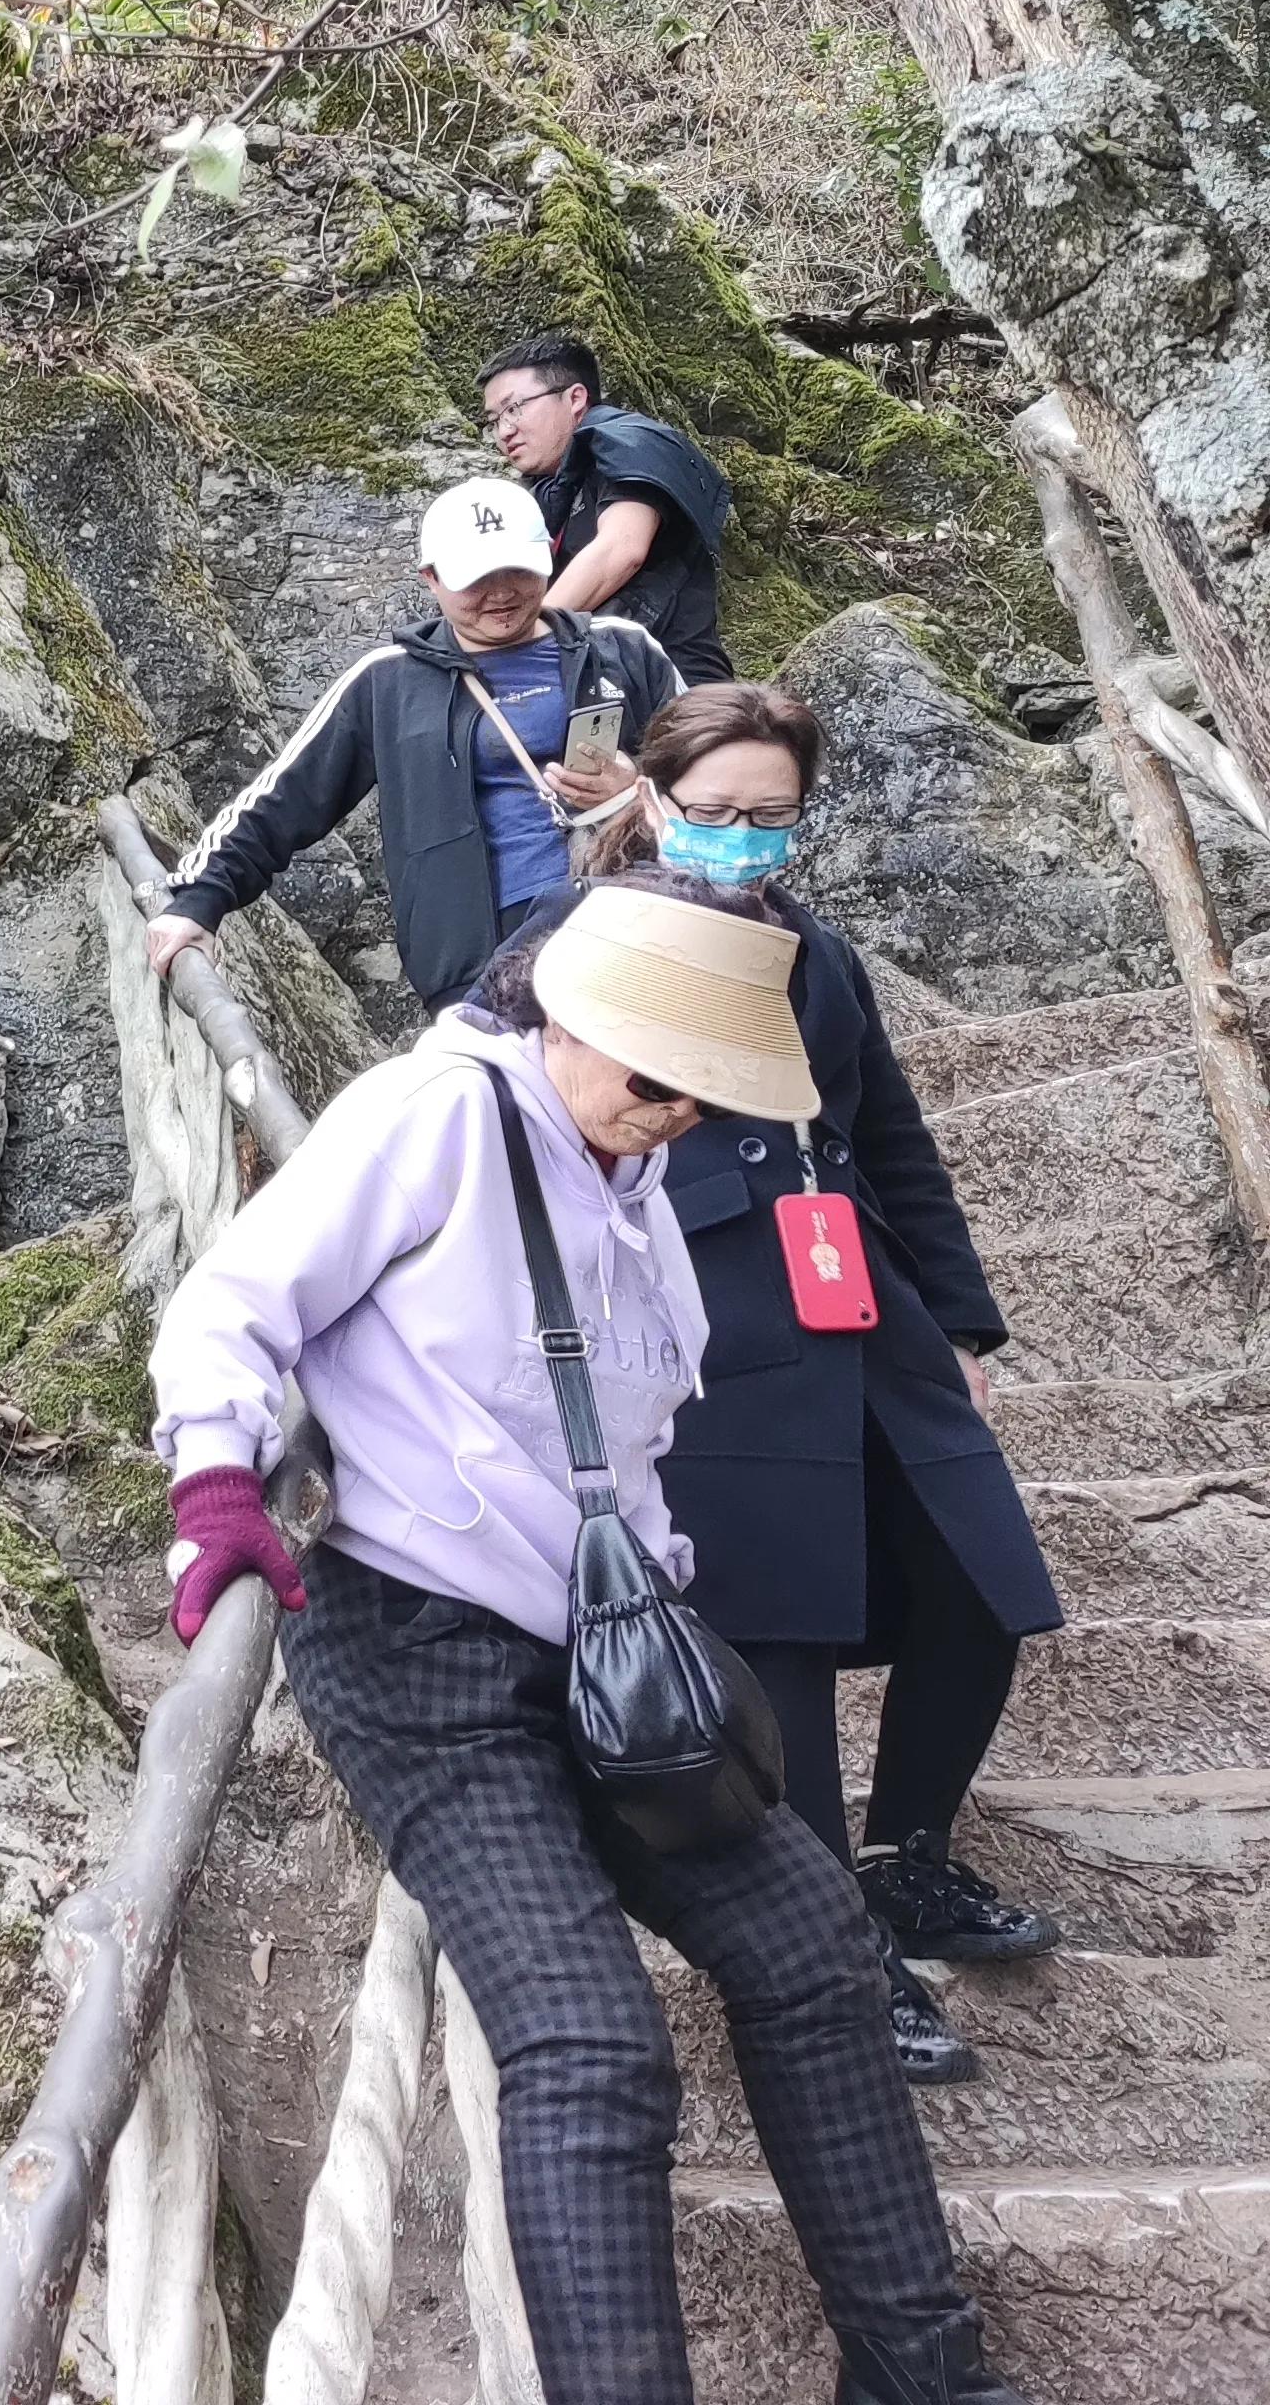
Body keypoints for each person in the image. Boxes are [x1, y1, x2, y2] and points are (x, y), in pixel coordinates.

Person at [150, 877, 1027, 2405]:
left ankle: (925, 2375)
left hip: (609, 1651)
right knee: (586, 2038)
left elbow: (631, 1433)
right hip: (421, 1648)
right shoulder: (432, 1116)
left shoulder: (627, 1178)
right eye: (651, 1075)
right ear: (567, 1014)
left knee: (819, 1953)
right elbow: (232, 1302)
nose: (675, 1111)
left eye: (703, 1093)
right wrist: (219, 1485)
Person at [581, 682, 1066, 2089]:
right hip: (709, 1320)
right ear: (657, 797)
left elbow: (893, 1143)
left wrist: (963, 1329)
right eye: (719, 814)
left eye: (771, 820)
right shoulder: (589, 945)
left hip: (863, 1303)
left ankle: (908, 1851)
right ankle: (831, 1943)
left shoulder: (821, 952)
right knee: (778, 1637)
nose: (743, 841)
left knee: (979, 1582)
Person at [146, 477, 682, 1012]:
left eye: (517, 569)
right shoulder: (387, 683)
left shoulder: (622, 648)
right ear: (430, 578)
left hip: (634, 927)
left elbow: (720, 771)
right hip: (480, 966)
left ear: (546, 554)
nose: (501, 592)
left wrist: (637, 787)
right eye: (476, 577)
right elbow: (283, 799)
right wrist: (199, 901)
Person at [480, 330, 738, 686]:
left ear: (575, 397)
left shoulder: (630, 440)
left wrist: (515, 652)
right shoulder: (552, 488)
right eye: (493, 420)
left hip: (676, 685)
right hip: (600, 681)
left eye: (514, 408)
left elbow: (621, 549)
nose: (504, 431)